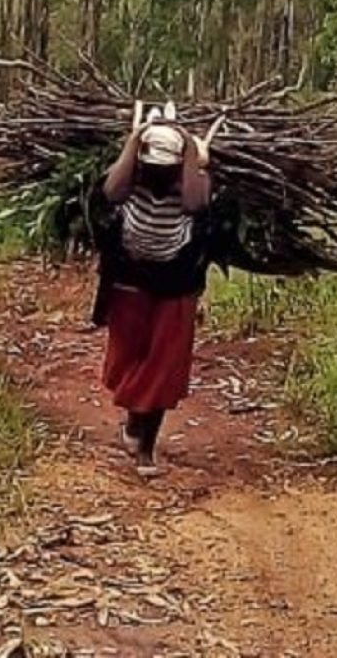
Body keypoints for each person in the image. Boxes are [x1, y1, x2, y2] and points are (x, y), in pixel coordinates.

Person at [93, 103, 216, 474]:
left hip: (175, 280)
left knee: (164, 364)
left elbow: (196, 204)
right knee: (129, 357)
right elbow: (111, 193)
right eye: (154, 166)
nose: (159, 175)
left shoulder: (191, 183)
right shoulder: (131, 179)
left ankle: (146, 446)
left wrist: (191, 151)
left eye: (167, 167)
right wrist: (134, 140)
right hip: (131, 276)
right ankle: (134, 422)